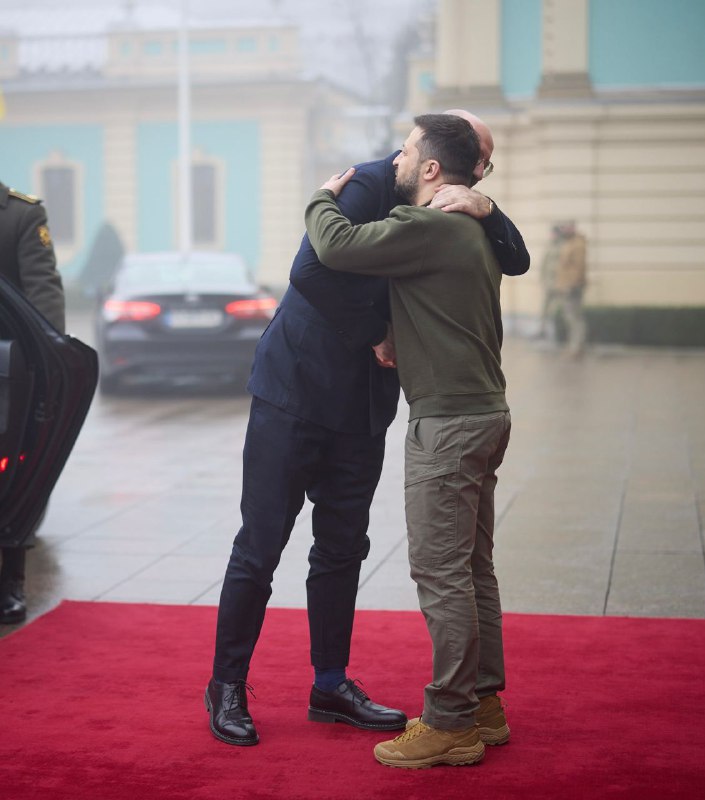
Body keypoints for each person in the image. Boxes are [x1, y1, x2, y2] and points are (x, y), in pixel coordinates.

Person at [205, 110, 529, 747]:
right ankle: (227, 684)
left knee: (342, 547)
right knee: (261, 545)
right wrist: (376, 332)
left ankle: (330, 685)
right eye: (476, 163)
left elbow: (515, 259)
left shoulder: (459, 202)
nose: (478, 175)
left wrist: (488, 207)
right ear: (437, 157)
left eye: (485, 168)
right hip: (294, 391)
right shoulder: (370, 184)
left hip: (363, 404)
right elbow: (310, 269)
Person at [305, 113, 512, 769]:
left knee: (441, 572)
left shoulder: (428, 225)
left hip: (447, 423)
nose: (395, 158)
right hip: (484, 412)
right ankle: (484, 705)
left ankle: (450, 722)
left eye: (406, 149)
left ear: (429, 168)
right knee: (472, 568)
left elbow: (335, 247)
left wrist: (320, 196)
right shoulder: (470, 227)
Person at [0, 180, 65, 624]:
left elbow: (43, 294)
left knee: (13, 476)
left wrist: (49, 363)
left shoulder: (19, 215)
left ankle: (10, 582)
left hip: (6, 371)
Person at [538, 220, 588, 355]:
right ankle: (573, 345)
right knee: (568, 316)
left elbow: (577, 268)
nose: (564, 231)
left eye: (567, 228)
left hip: (571, 286)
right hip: (563, 285)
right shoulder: (568, 243)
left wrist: (570, 285)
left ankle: (576, 346)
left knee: (573, 317)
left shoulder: (576, 244)